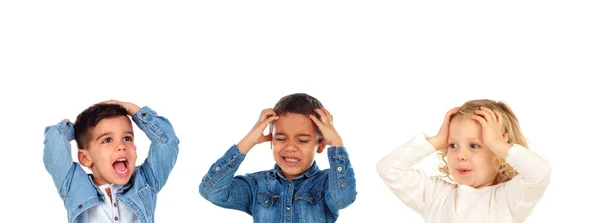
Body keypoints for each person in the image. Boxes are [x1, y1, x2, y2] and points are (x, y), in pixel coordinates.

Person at [376, 99, 551, 223]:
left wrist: (496, 143)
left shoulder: (509, 199)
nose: (461, 155)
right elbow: (389, 169)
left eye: (474, 145)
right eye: (453, 145)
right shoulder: (436, 196)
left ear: (500, 150)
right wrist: (436, 141)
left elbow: (539, 173)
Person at [199, 93, 357, 223]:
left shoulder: (327, 183)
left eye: (302, 140)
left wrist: (336, 143)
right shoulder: (257, 185)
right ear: (271, 141)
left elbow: (344, 198)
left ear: (321, 145)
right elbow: (211, 191)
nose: (290, 147)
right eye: (280, 138)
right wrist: (248, 141)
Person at [43, 100, 180, 223]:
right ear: (85, 158)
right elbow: (54, 143)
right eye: (107, 140)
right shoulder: (74, 187)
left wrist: (132, 109)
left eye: (127, 138)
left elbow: (167, 142)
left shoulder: (145, 182)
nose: (121, 146)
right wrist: (79, 128)